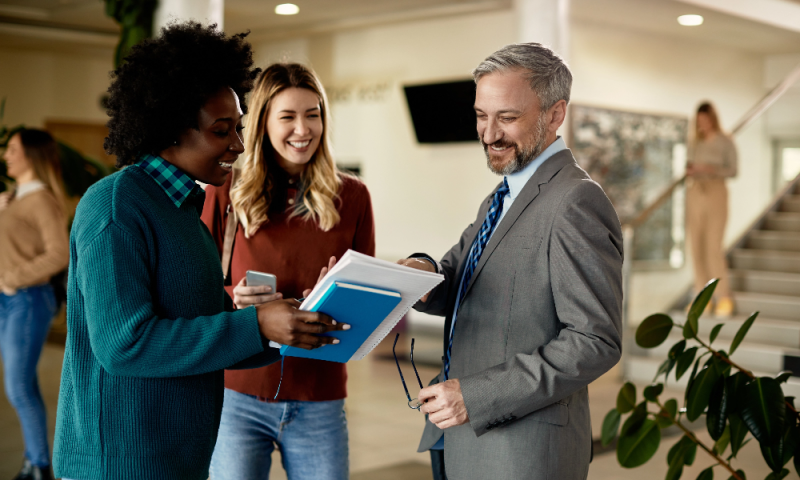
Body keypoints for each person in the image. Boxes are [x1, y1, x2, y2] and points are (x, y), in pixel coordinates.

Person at [52, 23, 347, 480]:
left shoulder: (184, 206)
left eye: (239, 128)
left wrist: (280, 327)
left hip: (179, 458)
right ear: (170, 129)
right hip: (119, 464)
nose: (238, 144)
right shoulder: (115, 206)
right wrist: (254, 325)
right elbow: (124, 346)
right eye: (221, 130)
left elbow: (195, 331)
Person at [397, 43, 624, 480]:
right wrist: (417, 273)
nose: (489, 134)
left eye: (507, 118)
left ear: (555, 114)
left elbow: (595, 341)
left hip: (522, 453)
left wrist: (477, 396)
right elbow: (457, 279)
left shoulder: (576, 201)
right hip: (459, 440)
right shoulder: (501, 196)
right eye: (482, 116)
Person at [202, 62, 375, 480]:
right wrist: (234, 301)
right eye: (288, 116)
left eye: (313, 114)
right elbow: (197, 292)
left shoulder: (352, 196)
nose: (303, 129)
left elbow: (368, 305)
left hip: (320, 395)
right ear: (263, 122)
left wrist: (343, 295)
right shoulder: (226, 191)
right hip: (237, 393)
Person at [0, 128, 69, 480]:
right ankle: (35, 461)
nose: (6, 154)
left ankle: (40, 467)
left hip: (26, 300)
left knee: (17, 386)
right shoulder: (16, 196)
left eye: (12, 149)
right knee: (20, 384)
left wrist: (13, 278)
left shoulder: (40, 199)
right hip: (10, 300)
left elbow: (58, 253)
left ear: (31, 155)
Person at [686, 101, 737, 316]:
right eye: (699, 122)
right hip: (696, 191)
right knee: (696, 246)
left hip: (716, 191)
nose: (702, 125)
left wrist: (709, 168)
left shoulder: (726, 142)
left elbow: (734, 170)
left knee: (713, 247)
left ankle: (723, 297)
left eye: (705, 121)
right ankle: (702, 297)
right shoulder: (695, 142)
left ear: (712, 119)